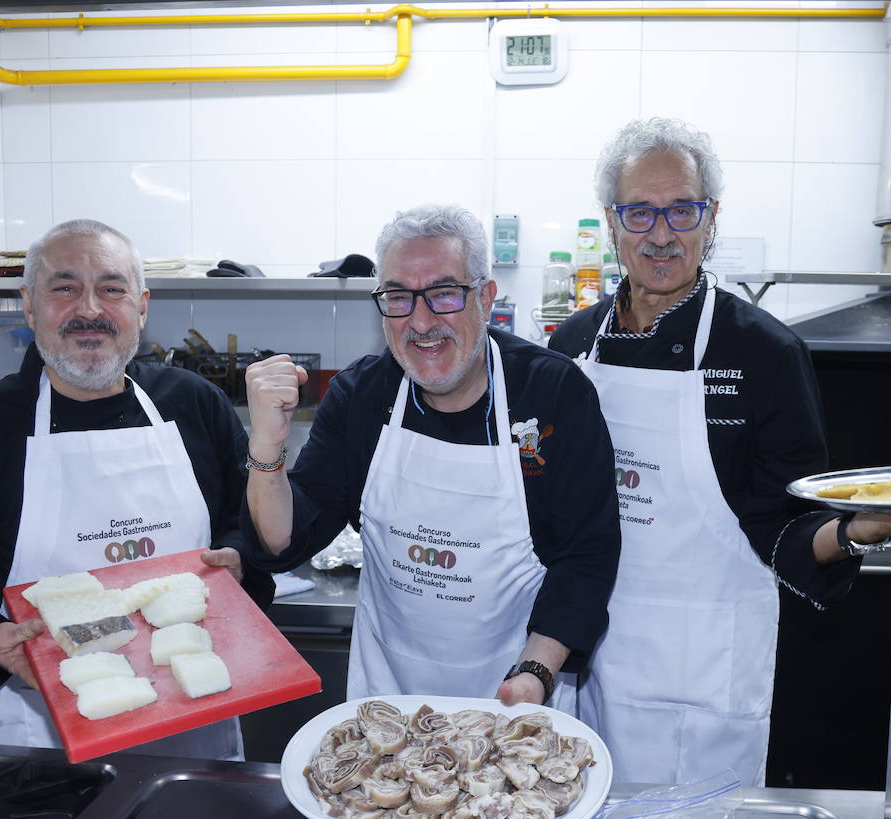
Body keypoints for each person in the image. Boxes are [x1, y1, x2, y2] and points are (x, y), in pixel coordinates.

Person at [548, 118, 891, 786]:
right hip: (586, 662)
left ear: (711, 219)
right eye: (640, 212)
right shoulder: (571, 350)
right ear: (611, 222)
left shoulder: (762, 354)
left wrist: (855, 531)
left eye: (682, 210)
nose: (661, 234)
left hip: (701, 681)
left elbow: (785, 524)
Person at [0, 218, 272, 760]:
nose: (89, 309)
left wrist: (239, 558)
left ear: (142, 306)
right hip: (41, 742)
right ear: (28, 305)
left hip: (195, 721)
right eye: (64, 288)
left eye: (111, 289)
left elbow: (246, 522)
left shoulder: (194, 404)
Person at [243, 203, 619, 711]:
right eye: (398, 297)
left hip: (518, 701)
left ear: (485, 297)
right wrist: (266, 447)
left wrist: (532, 674)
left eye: (444, 293)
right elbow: (286, 540)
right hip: (387, 705)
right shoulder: (363, 396)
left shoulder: (552, 392)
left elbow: (587, 555)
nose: (420, 322)